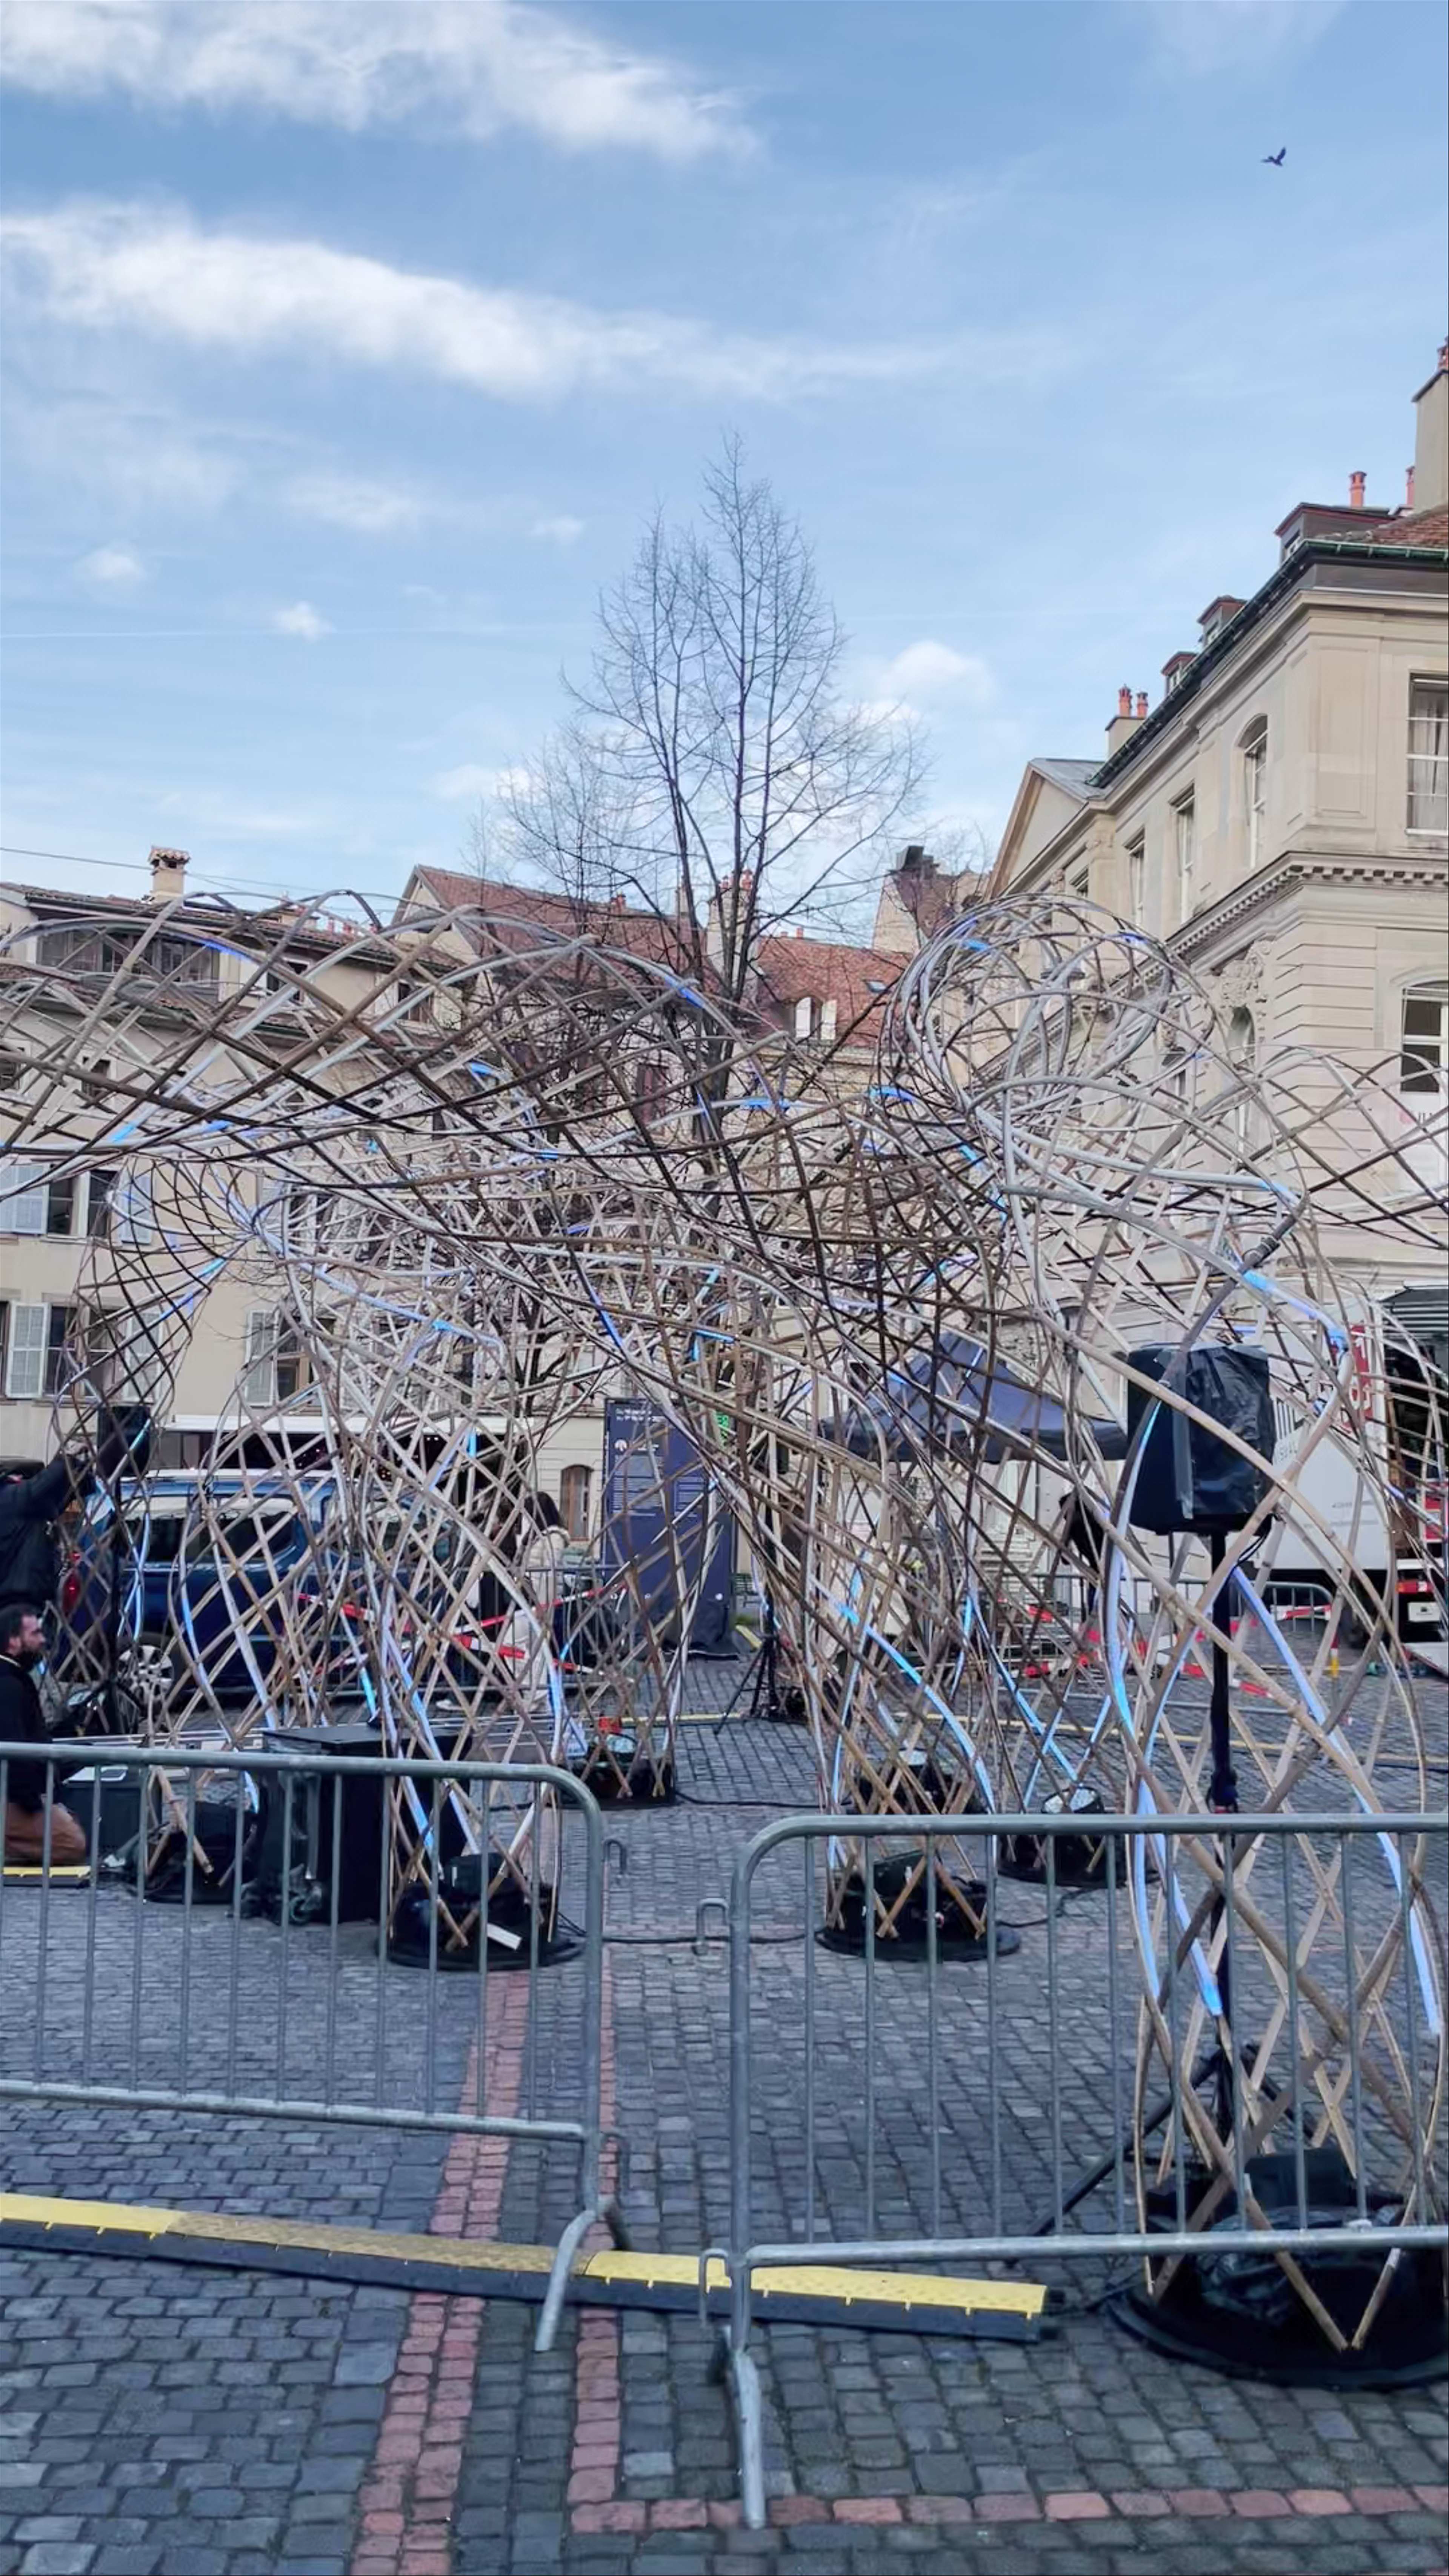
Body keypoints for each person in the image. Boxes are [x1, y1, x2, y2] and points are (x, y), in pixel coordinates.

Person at [0, 1603, 88, 1865]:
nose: (43, 1640)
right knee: (71, 1842)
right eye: (35, 1634)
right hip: (14, 1796)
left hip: (19, 1792)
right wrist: (34, 1804)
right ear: (14, 1640)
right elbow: (13, 1748)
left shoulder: (14, 1679)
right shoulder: (7, 1685)